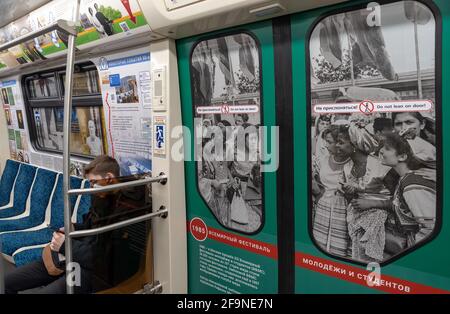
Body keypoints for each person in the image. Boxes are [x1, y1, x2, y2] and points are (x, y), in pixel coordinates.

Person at [4, 155, 147, 294]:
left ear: (109, 178)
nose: (91, 186)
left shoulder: (130, 208)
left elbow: (106, 259)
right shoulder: (101, 194)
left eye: (93, 181)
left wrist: (65, 246)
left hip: (97, 272)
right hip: (78, 255)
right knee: (6, 281)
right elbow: (91, 226)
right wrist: (74, 228)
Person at [312, 126, 351, 257]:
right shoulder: (322, 160)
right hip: (323, 207)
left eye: (330, 142)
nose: (326, 146)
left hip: (344, 209)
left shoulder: (352, 163)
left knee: (340, 249)